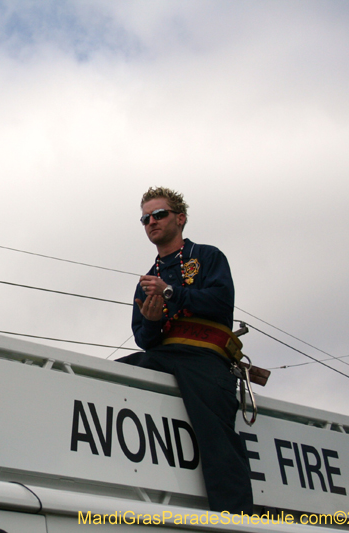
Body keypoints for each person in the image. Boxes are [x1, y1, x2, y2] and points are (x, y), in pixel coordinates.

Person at [116, 186, 253, 514]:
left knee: (216, 437)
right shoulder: (148, 279)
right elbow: (143, 337)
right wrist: (150, 322)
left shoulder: (207, 257)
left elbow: (221, 300)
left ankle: (237, 520)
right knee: (111, 376)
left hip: (203, 357)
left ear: (180, 218)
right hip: (163, 356)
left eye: (159, 214)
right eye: (145, 218)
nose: (151, 221)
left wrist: (171, 293)